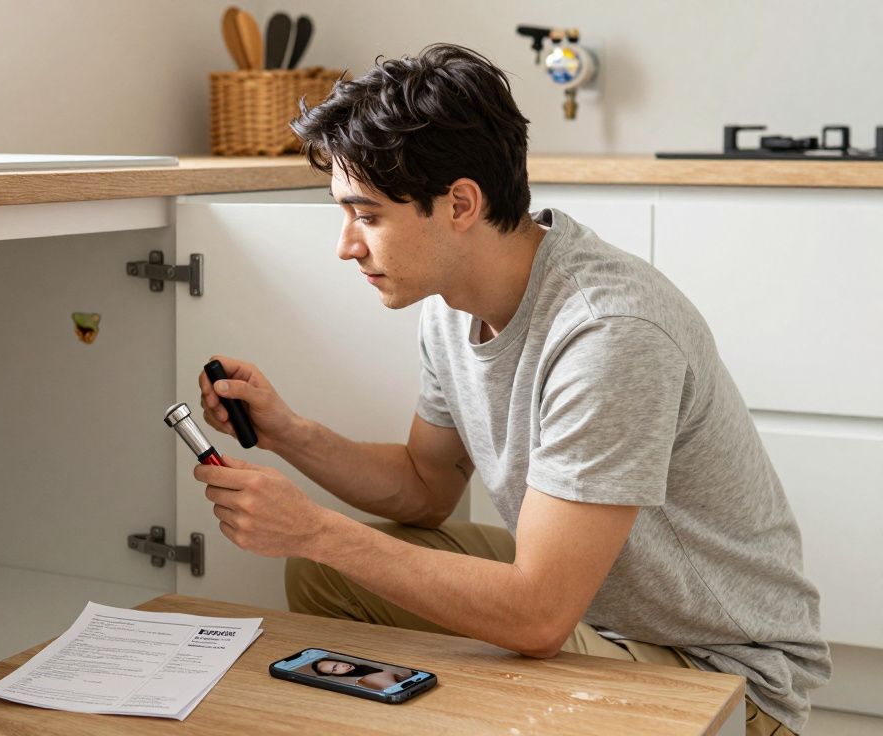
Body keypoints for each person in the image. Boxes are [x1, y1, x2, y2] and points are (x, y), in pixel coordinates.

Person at [192, 44, 829, 736]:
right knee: (324, 576)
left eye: (367, 216)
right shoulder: (448, 300)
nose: (346, 245)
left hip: (716, 673)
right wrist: (287, 430)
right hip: (592, 610)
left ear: (460, 203)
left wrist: (314, 528)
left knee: (339, 554)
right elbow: (424, 487)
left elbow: (537, 614)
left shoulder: (608, 333)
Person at [312, 658, 407, 691]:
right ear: (334, 675)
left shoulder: (365, 666)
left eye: (337, 663)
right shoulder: (366, 678)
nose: (342, 665)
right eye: (335, 669)